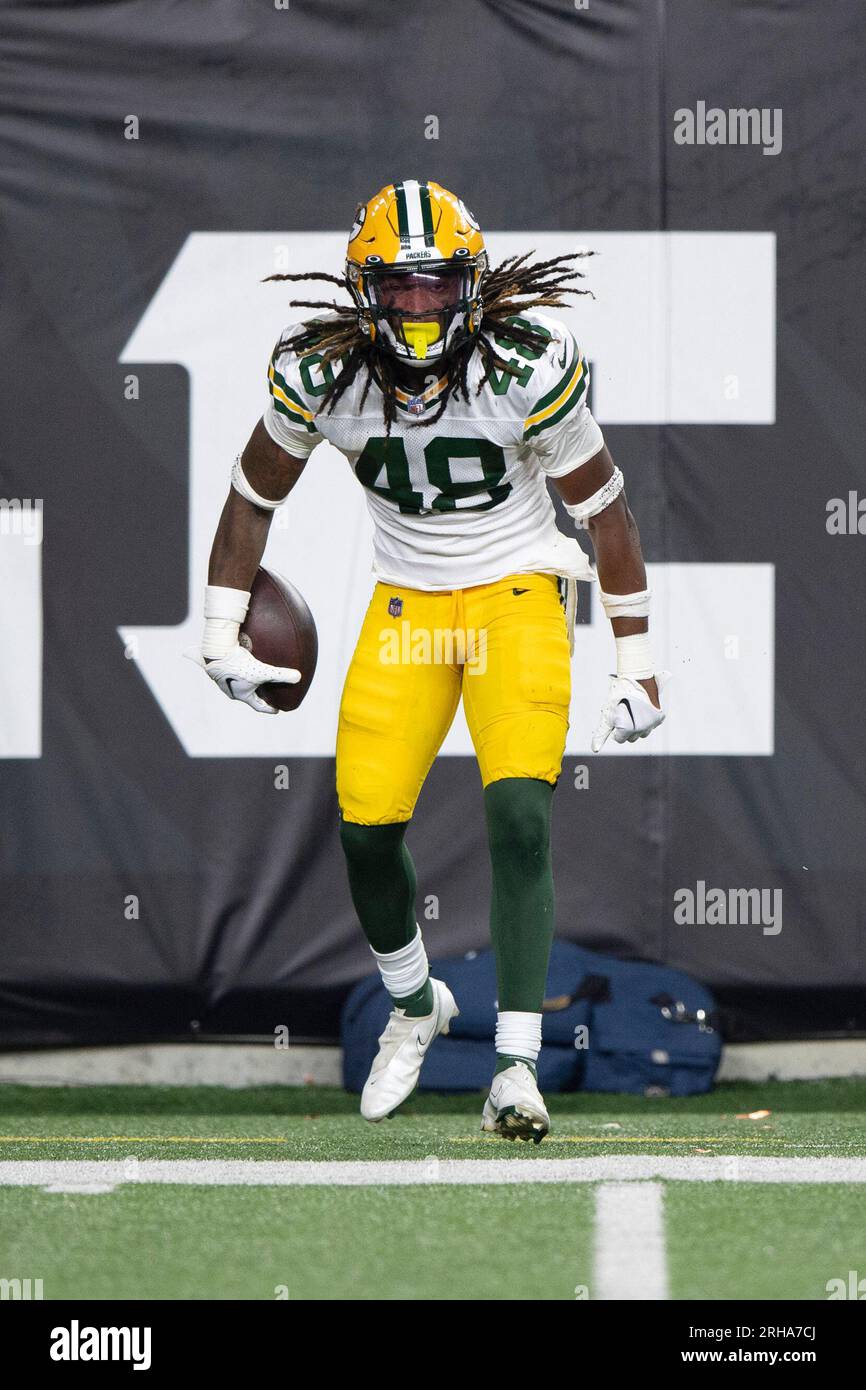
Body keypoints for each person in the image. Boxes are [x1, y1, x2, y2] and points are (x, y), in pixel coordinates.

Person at [198, 180, 668, 1142]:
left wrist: (641, 659)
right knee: (367, 831)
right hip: (409, 603)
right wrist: (218, 626)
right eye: (400, 286)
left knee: (519, 811)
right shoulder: (325, 372)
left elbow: (605, 512)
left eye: (438, 284)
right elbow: (253, 498)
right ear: (365, 288)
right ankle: (416, 1005)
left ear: (473, 283)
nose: (419, 306)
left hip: (516, 595)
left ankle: (516, 1069)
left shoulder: (524, 366)